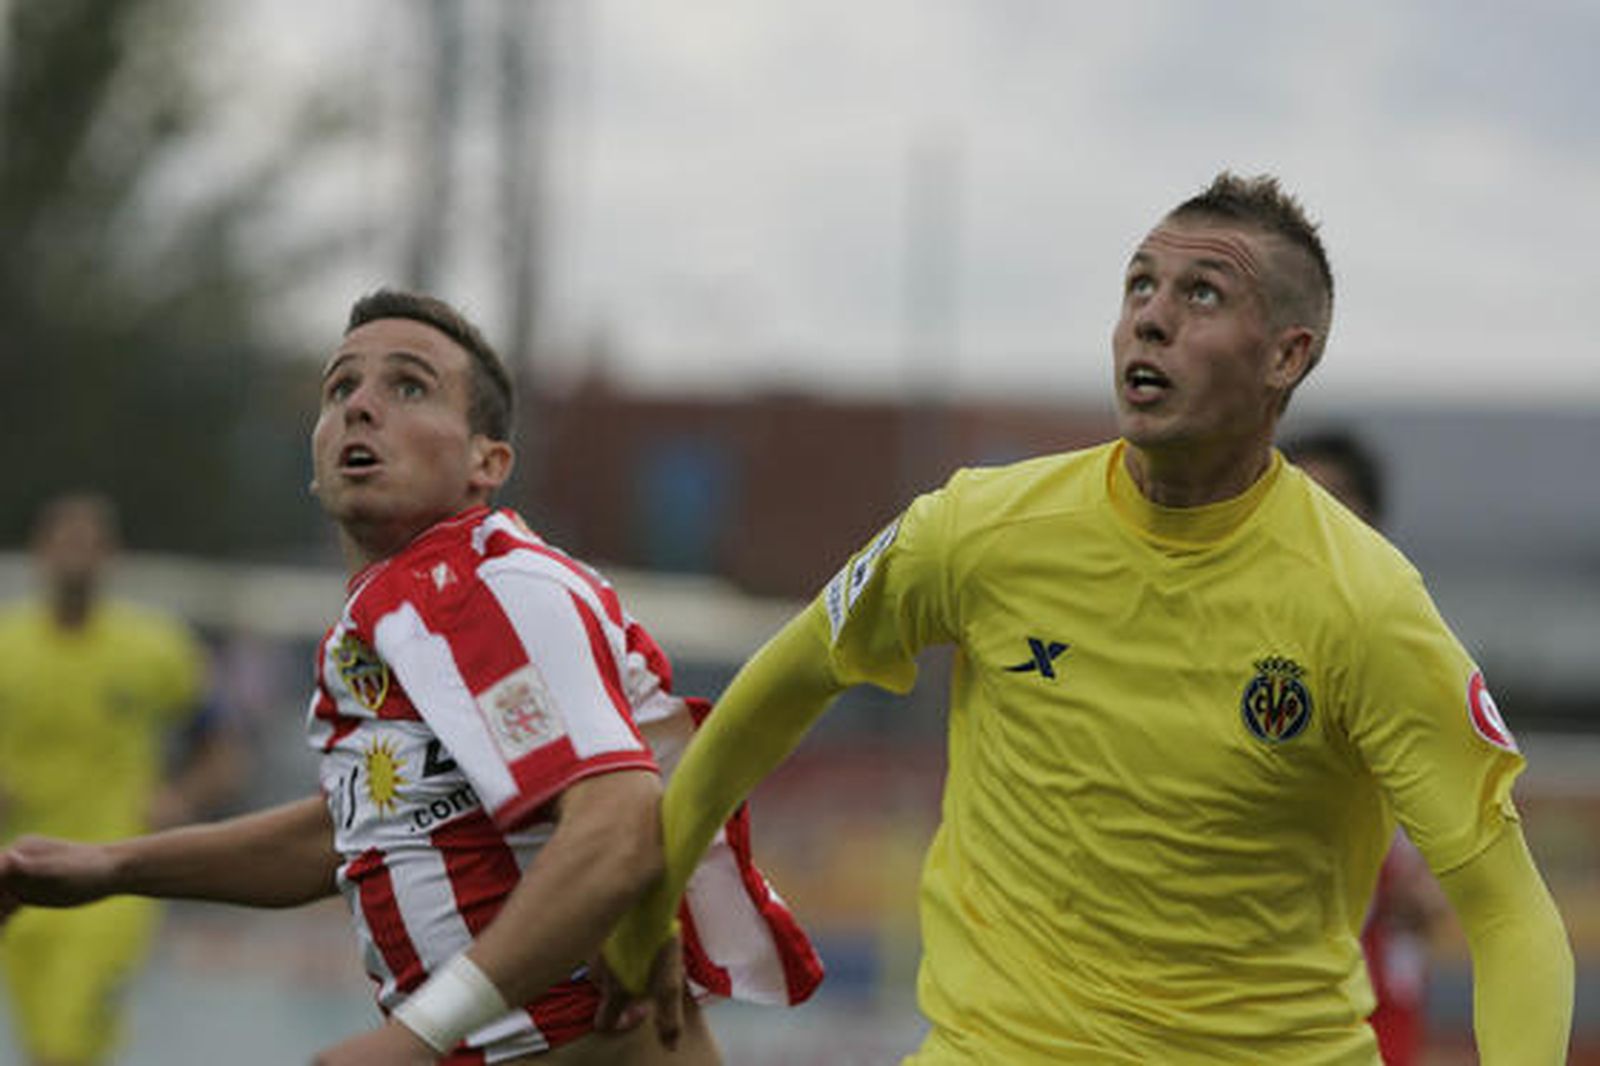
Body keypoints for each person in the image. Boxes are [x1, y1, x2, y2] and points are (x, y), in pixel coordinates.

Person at [605, 173, 1575, 1063]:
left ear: (1288, 353)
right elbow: (779, 687)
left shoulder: (1367, 606)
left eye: (1201, 294)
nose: (1149, 319)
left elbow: (1508, 914)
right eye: (1137, 286)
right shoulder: (976, 528)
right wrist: (654, 902)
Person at [0, 291, 820, 1065]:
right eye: (341, 387)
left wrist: (420, 1034)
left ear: (484, 461)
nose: (360, 404)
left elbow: (618, 827)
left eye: (409, 386)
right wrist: (110, 867)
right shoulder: (392, 627)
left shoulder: (488, 582)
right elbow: (353, 833)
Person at [0, 493, 241, 1066]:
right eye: (64, 542)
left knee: (65, 1048)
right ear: (40, 552)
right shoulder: (7, 647)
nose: (75, 556)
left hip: (111, 885)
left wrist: (180, 798)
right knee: (49, 1048)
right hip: (17, 882)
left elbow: (224, 750)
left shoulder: (154, 648)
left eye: (89, 544)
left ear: (112, 556)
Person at [1285, 429, 1447, 1066]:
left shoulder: (1408, 655)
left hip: (1369, 1009)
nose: (1315, 524)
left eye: (1335, 503)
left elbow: (1452, 863)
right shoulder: (1237, 651)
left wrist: (1415, 883)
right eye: (1300, 502)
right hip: (1249, 1009)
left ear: (1371, 523)